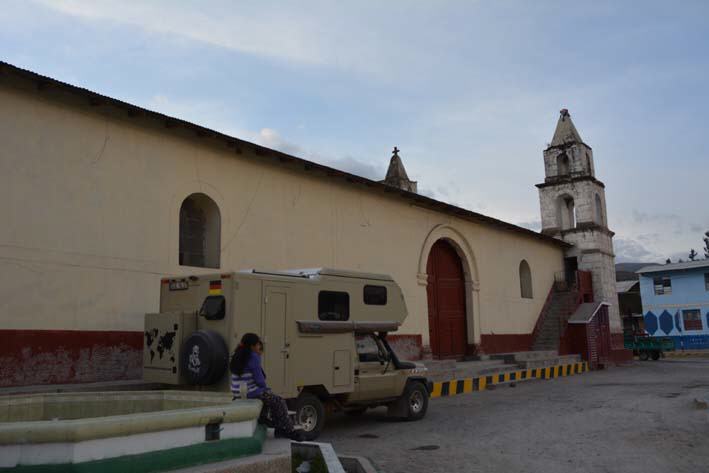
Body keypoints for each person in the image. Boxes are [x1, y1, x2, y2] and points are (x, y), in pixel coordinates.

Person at [229, 333, 303, 441]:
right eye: (258, 344)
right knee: (278, 401)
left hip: (237, 392)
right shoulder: (252, 356)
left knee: (268, 396)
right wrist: (258, 356)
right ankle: (289, 431)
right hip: (250, 392)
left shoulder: (237, 354)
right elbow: (260, 381)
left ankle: (266, 421)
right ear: (252, 346)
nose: (260, 346)